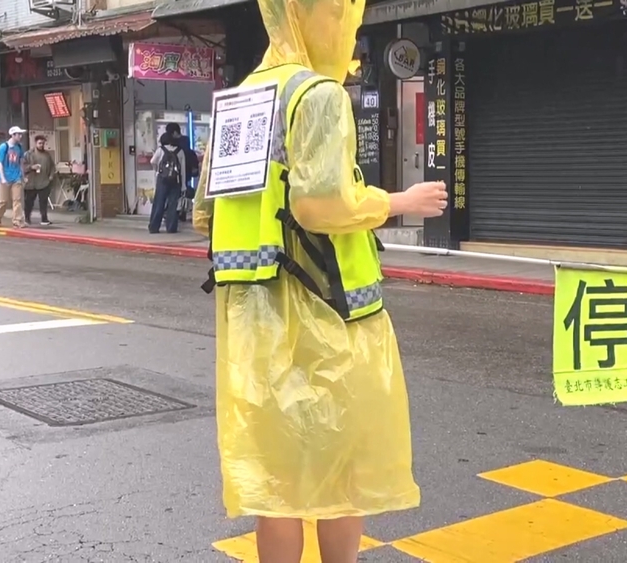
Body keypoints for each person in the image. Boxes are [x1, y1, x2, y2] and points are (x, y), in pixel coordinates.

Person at [191, 0, 447, 559]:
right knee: (342, 467)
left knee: (276, 478)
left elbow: (205, 212)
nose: (348, 33)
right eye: (340, 16)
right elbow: (320, 205)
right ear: (308, 19)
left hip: (252, 317)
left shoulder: (241, 98)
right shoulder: (320, 95)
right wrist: (402, 200)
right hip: (325, 311)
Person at [149, 132, 185, 234]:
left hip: (162, 180)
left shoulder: (161, 150)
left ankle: (154, 227)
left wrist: (157, 171)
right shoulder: (180, 151)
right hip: (175, 181)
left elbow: (152, 161)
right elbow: (182, 170)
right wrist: (183, 186)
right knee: (172, 204)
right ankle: (171, 227)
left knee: (159, 203)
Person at [0, 126, 27, 229]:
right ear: (13, 135)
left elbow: (21, 162)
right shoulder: (4, 147)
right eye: (18, 134)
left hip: (16, 176)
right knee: (3, 201)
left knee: (17, 199)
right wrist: (3, 178)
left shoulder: (19, 147)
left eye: (21, 134)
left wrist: (23, 176)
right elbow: (0, 163)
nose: (20, 136)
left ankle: (17, 221)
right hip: (5, 177)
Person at [22, 135, 56, 226]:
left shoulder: (47, 155)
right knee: (29, 202)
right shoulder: (28, 154)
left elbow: (52, 166)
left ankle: (44, 219)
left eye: (43, 143)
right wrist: (31, 167)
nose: (41, 145)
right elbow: (22, 167)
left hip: (44, 182)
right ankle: (27, 218)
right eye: (40, 143)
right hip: (31, 183)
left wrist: (51, 176)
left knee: (43, 202)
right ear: (35, 143)